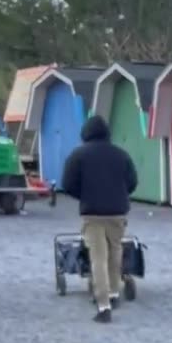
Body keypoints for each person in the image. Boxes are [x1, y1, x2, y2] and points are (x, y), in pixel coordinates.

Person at [60, 114, 138, 323]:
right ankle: (114, 292)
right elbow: (132, 182)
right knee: (115, 253)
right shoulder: (121, 155)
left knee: (98, 258)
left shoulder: (78, 155)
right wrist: (119, 195)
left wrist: (84, 195)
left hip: (92, 213)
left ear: (86, 133)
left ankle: (103, 306)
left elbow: (67, 184)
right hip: (117, 213)